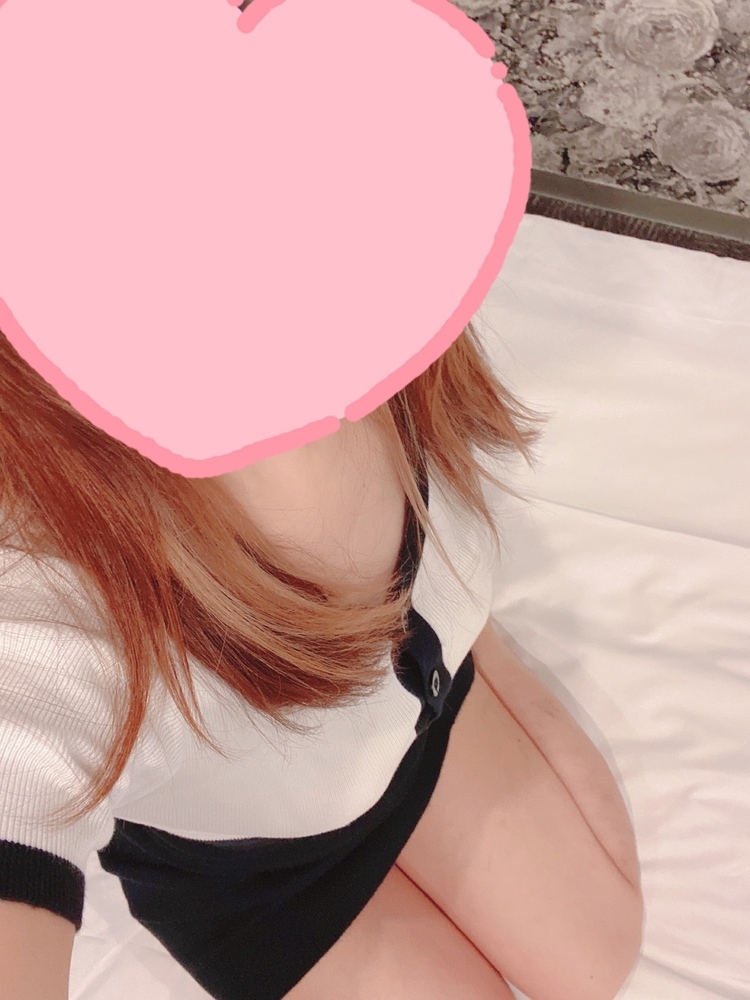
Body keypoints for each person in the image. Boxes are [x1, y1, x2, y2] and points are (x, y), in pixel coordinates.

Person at [0, 321, 642, 1000]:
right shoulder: (39, 595)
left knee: (598, 962)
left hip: (422, 707)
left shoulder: (375, 313)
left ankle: (465, 641)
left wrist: (459, 625)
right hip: (253, 876)